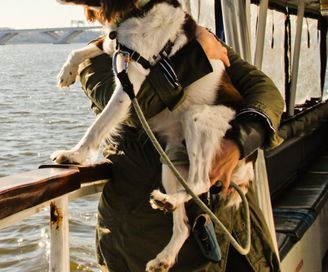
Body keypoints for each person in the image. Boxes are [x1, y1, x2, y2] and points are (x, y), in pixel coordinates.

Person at [77, 27, 284, 271]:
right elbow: (136, 107)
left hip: (231, 228)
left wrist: (240, 142)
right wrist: (198, 54)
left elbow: (265, 91)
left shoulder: (194, 36)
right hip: (149, 238)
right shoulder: (95, 60)